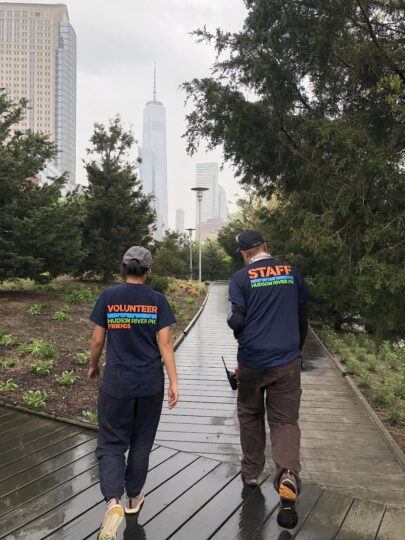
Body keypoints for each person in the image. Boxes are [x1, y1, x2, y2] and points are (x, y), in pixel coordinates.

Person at [87, 246, 179, 540]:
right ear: (148, 271)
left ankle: (112, 501)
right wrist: (175, 382)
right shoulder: (157, 301)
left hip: (117, 385)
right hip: (150, 384)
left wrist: (92, 366)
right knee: (141, 442)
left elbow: (97, 340)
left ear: (123, 268)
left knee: (112, 444)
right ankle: (132, 499)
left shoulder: (109, 298)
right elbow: (165, 344)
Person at [227, 230, 308, 530]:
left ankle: (250, 472)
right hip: (287, 360)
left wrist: (242, 334)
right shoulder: (292, 273)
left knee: (249, 413)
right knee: (285, 421)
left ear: (244, 254)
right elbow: (302, 317)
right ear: (266, 247)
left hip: (251, 361)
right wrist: (296, 349)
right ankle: (287, 474)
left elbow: (236, 319)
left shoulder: (241, 279)